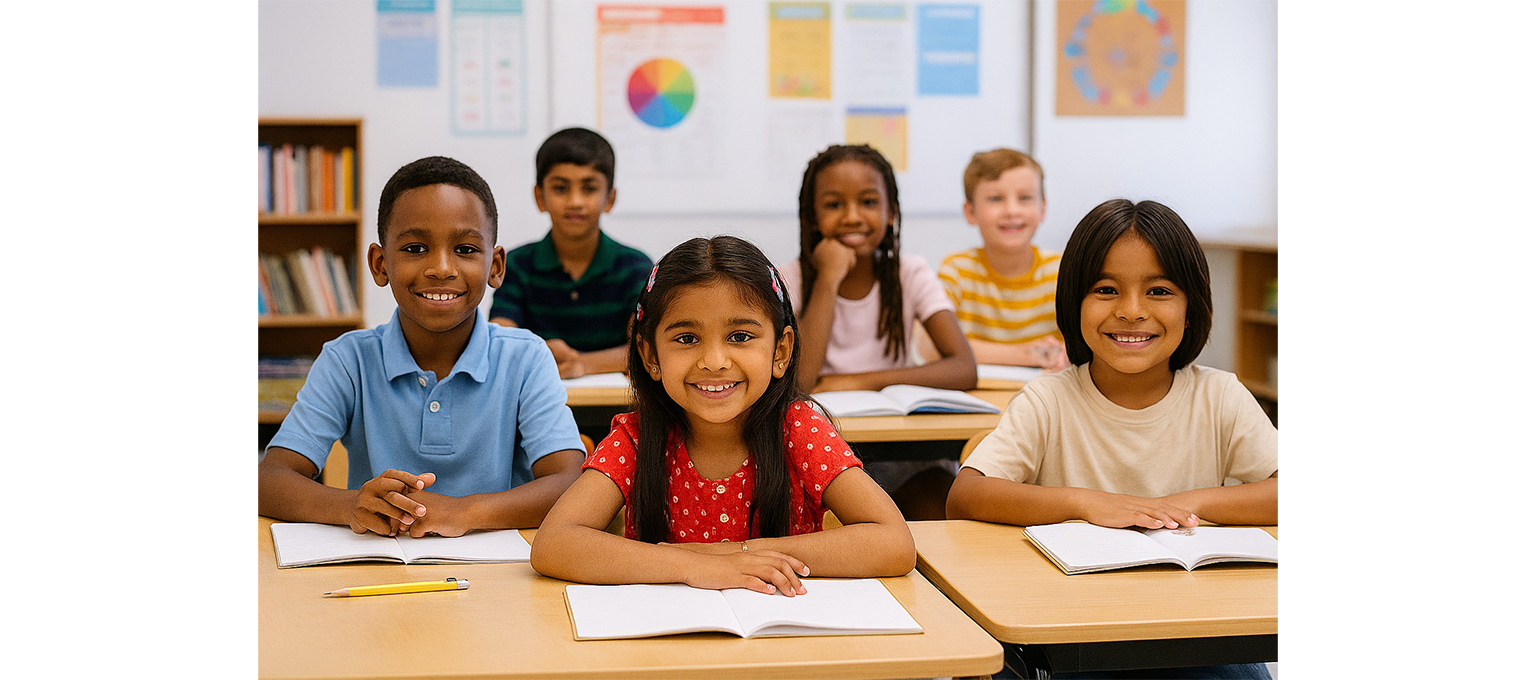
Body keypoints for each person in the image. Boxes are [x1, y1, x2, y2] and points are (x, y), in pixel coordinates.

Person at [947, 199, 1277, 680]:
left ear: (1192, 308)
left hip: (1197, 634)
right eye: (1106, 289)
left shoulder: (1219, 395)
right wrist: (1088, 504)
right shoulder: (1049, 399)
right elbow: (968, 493)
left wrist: (1184, 504)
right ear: (1073, 304)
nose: (1131, 311)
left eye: (1159, 290)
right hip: (1076, 634)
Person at [530, 236, 915, 595]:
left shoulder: (799, 429)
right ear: (650, 357)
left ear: (780, 352)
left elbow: (893, 543)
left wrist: (740, 556)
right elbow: (554, 544)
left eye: (740, 337)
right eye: (686, 339)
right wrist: (690, 565)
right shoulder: (638, 436)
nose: (714, 362)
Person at [258, 156, 586, 538]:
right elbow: (269, 480)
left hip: (497, 577)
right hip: (377, 567)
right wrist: (355, 506)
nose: (441, 267)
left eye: (465, 249)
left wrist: (463, 512)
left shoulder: (525, 358)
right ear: (380, 264)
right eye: (415, 249)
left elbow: (569, 483)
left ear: (495, 266)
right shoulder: (348, 360)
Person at [779, 143, 977, 520]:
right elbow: (800, 381)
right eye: (834, 205)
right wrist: (829, 278)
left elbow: (963, 366)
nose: (852, 217)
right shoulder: (791, 280)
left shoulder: (910, 272)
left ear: (891, 214)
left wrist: (857, 381)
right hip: (820, 455)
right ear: (811, 218)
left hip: (904, 458)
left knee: (940, 501)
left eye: (868, 202)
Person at [489, 127, 653, 379]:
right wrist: (542, 353)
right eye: (561, 188)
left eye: (589, 188)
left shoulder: (634, 266)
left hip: (614, 410)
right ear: (539, 197)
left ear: (609, 198)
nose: (575, 201)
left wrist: (582, 364)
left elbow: (647, 347)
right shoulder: (518, 265)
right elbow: (499, 341)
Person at [921, 148, 1069, 372]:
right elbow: (930, 347)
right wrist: (1023, 354)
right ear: (970, 212)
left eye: (1025, 198)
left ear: (1043, 208)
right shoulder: (957, 271)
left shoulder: (1062, 271)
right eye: (996, 199)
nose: (1011, 210)